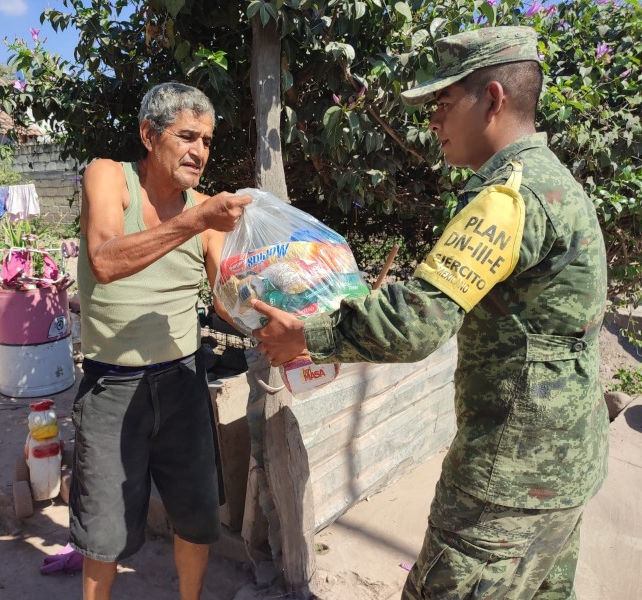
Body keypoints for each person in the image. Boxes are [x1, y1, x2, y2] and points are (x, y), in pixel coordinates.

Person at [251, 26, 609, 599]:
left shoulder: (506, 196)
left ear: (492, 99)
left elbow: (418, 322)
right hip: (568, 461)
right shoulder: (558, 183)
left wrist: (307, 336)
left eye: (443, 103)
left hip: (506, 478)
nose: (433, 122)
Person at [70, 82, 251, 600]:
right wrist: (197, 219)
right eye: (187, 136)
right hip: (111, 388)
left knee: (196, 518)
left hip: (183, 384)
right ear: (150, 135)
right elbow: (105, 260)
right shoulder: (111, 176)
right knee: (102, 534)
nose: (200, 152)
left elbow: (226, 302)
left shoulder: (207, 218)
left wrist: (284, 307)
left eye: (208, 141)